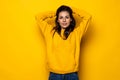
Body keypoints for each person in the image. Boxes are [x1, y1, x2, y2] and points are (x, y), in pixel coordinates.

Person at [35, 5, 92, 80]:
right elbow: (38, 17)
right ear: (57, 20)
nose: (64, 20)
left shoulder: (77, 33)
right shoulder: (49, 32)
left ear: (71, 19)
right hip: (54, 74)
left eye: (67, 17)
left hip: (72, 74)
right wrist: (56, 12)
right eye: (61, 17)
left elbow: (88, 17)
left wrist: (72, 9)